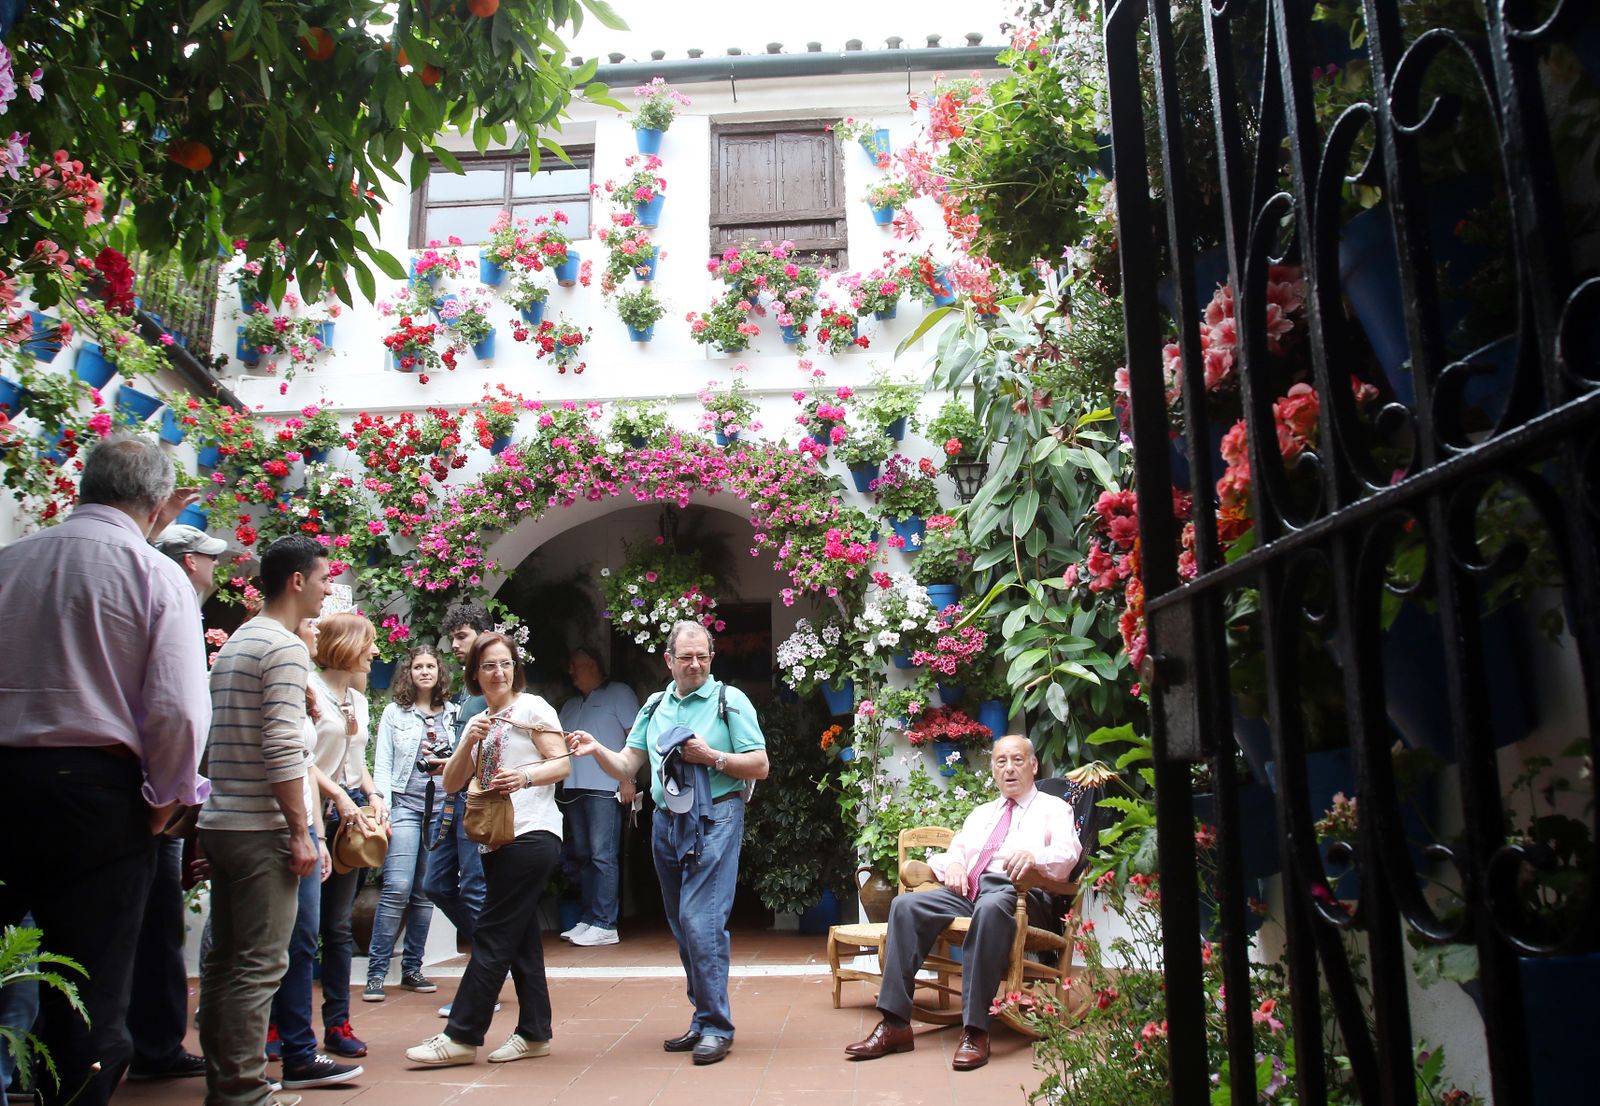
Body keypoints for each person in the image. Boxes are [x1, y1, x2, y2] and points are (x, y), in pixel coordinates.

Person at [0, 433, 211, 1106]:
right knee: (88, 1000)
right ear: (156, 504)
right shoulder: (152, 574)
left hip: (4, 785)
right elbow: (178, 710)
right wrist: (165, 799)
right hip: (98, 796)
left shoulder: (11, 563)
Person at [568, 621, 768, 1067]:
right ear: (669, 660)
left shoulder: (728, 700)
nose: (695, 664)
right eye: (686, 657)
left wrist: (711, 757)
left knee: (701, 921)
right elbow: (626, 764)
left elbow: (759, 764)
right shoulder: (655, 705)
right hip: (666, 823)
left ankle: (716, 1025)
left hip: (716, 817)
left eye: (703, 656)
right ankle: (703, 1018)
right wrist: (595, 748)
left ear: (711, 657)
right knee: (682, 925)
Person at [844, 734, 1081, 1072]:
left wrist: (1034, 856)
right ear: (994, 770)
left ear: (1033, 765)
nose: (1009, 769)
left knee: (992, 901)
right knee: (906, 907)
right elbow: (957, 852)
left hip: (1023, 897)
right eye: (1001, 762)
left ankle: (975, 1029)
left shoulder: (1053, 809)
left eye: (1017, 760)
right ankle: (896, 1023)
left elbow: (1067, 857)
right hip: (973, 895)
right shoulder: (982, 813)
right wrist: (954, 864)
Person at [197, 534, 332, 1106]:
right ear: (296, 581)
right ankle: (246, 1093)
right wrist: (300, 832)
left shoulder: (236, 645)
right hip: (259, 830)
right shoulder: (281, 648)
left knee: (227, 963)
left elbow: (209, 745)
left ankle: (226, 1087)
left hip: (223, 822)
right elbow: (281, 747)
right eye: (323, 578)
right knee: (258, 965)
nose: (329, 590)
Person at [405, 633, 568, 1069]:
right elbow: (453, 783)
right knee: (521, 942)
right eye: (489, 666)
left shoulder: (533, 708)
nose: (499, 672)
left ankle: (461, 1035)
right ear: (475, 674)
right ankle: (534, 1033)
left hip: (533, 835)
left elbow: (562, 762)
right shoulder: (478, 717)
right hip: (496, 841)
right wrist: (465, 742)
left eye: (506, 664)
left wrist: (525, 777)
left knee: (493, 935)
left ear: (516, 668)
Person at [124, 524, 231, 1081]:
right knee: (155, 925)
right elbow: (179, 709)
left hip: (135, 791)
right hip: (152, 797)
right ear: (189, 562)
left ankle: (141, 1043)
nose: (217, 570)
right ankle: (155, 1047)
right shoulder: (175, 601)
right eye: (211, 561)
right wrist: (172, 807)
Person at [263, 615, 357, 1090]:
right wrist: (323, 815)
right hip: (289, 821)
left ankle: (324, 1030)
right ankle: (283, 1036)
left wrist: (362, 800)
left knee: (326, 930)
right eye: (311, 627)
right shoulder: (297, 683)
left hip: (324, 819)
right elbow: (298, 761)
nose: (317, 633)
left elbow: (318, 763)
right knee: (291, 936)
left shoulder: (351, 698)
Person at [305, 613, 388, 1060]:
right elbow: (298, 753)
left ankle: (337, 1022)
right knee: (299, 930)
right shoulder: (307, 690)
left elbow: (357, 761)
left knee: (336, 927)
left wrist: (373, 795)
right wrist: (339, 793)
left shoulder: (357, 700)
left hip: (349, 819)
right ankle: (283, 1024)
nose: (375, 653)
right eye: (369, 643)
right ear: (345, 645)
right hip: (312, 812)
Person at [364, 646, 457, 1001]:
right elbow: (383, 764)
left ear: (439, 672)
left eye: (430, 666)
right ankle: (376, 973)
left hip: (440, 810)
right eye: (417, 666)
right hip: (404, 806)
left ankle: (412, 969)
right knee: (397, 887)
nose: (424, 672)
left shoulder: (453, 714)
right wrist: (382, 807)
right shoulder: (394, 713)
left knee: (424, 891)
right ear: (409, 672)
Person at [423, 602, 493, 1018]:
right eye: (452, 637)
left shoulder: (489, 689)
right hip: (456, 796)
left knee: (474, 889)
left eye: (461, 636)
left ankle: (483, 977)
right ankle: (494, 955)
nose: (454, 645)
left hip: (479, 800)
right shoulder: (467, 692)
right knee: (436, 884)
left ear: (482, 635)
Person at [555, 645, 639, 947]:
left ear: (592, 665)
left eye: (576, 665)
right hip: (574, 787)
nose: (571, 672)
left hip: (607, 787)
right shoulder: (569, 705)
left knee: (603, 855)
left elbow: (634, 739)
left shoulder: (619, 693)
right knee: (584, 857)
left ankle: (605, 923)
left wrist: (628, 779)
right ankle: (589, 919)